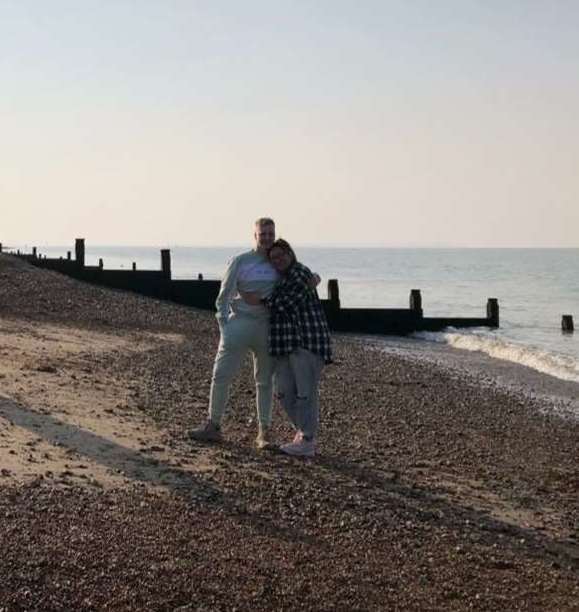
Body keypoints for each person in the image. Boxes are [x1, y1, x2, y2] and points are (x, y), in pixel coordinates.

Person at [189, 217, 278, 449]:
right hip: (239, 325)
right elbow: (224, 295)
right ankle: (213, 425)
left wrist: (314, 278)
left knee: (265, 381)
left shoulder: (279, 262)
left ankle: (264, 432)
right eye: (263, 234)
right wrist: (224, 326)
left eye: (271, 233)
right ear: (255, 235)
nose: (267, 238)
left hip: (267, 327)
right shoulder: (240, 261)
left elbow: (297, 280)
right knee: (221, 375)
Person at [241, 239, 332, 457]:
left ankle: (307, 440)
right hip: (286, 345)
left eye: (282, 256)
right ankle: (304, 432)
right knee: (283, 392)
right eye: (274, 259)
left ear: (291, 254)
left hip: (306, 342)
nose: (278, 261)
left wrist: (260, 299)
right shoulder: (284, 278)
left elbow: (286, 304)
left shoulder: (300, 273)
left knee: (305, 393)